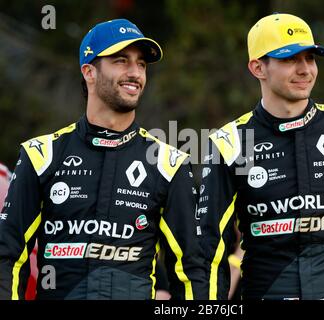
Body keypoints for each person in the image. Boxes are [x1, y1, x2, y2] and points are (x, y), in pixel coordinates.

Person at [0, 18, 207, 300]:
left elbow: (190, 270)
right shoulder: (41, 154)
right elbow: (9, 256)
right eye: (121, 60)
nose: (135, 73)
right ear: (89, 72)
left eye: (141, 64)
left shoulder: (169, 163)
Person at [198, 13, 324, 300]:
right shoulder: (230, 143)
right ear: (258, 68)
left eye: (310, 58)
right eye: (290, 59)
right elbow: (209, 252)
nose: (305, 69)